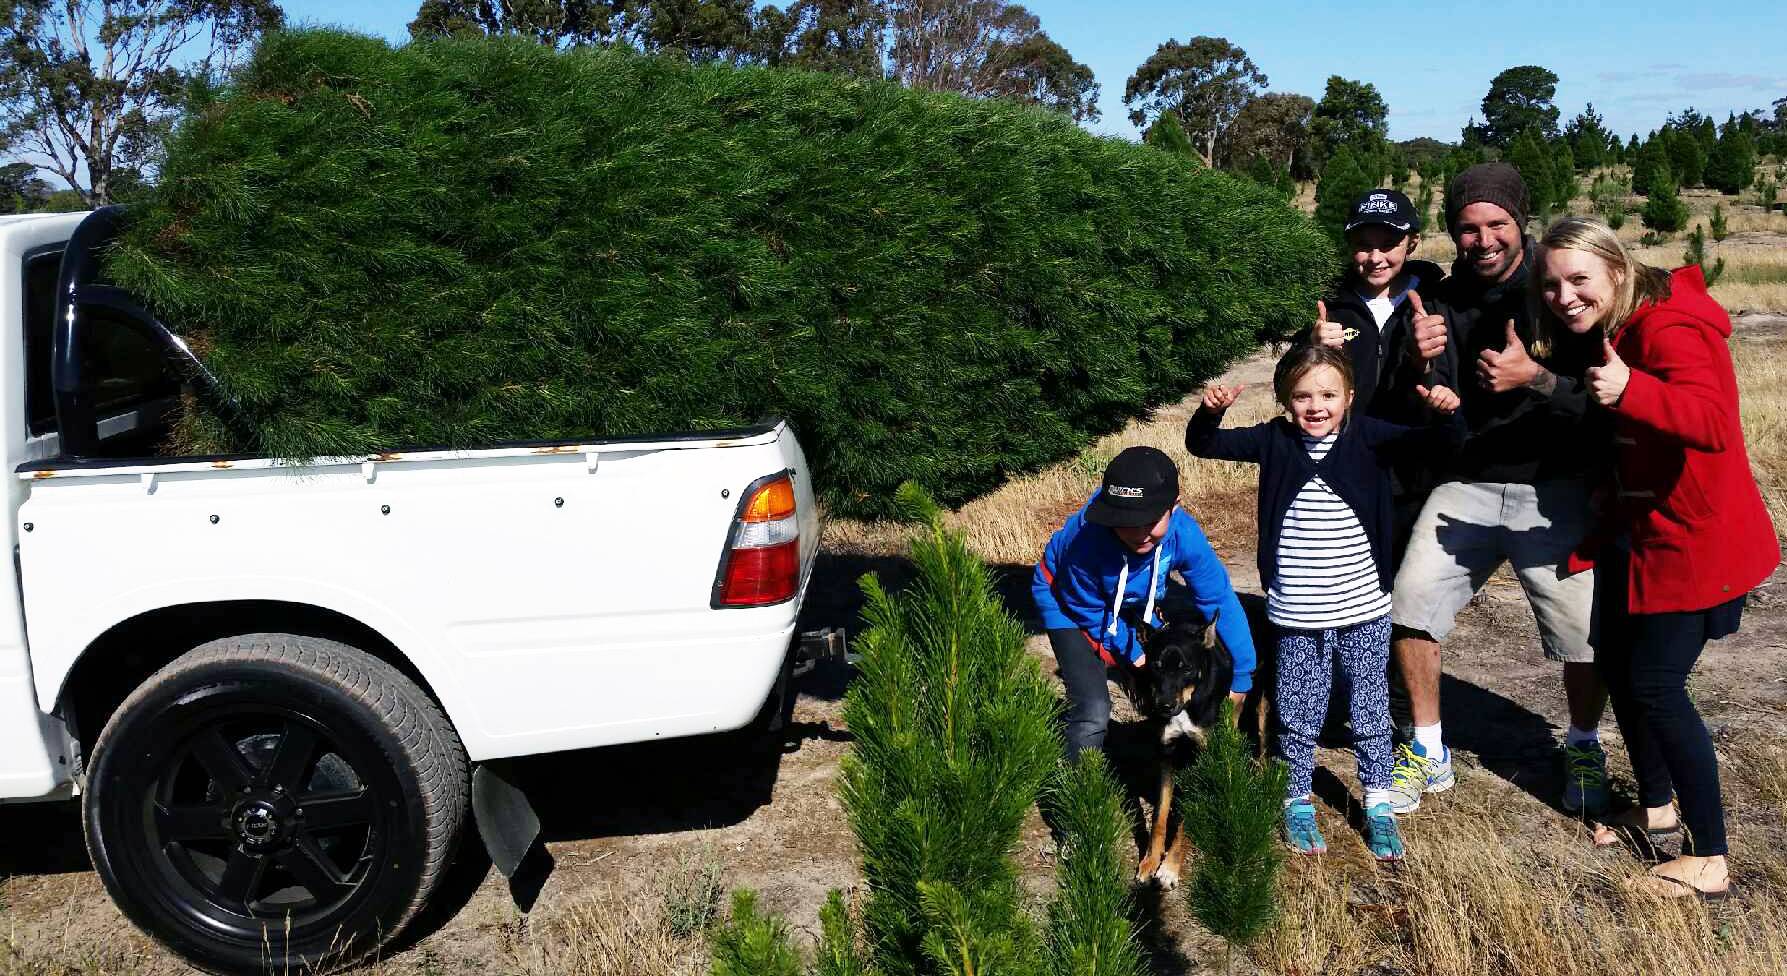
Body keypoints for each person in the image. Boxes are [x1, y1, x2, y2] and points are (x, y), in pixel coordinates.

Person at [1534, 216, 1779, 898]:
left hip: (1691, 540)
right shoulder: (1617, 324)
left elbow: (1711, 423)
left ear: (1616, 269)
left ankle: (1709, 857)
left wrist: (1631, 391)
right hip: (1637, 530)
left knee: (1655, 685)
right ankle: (1657, 806)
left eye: (1578, 279)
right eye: (1551, 284)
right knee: (1617, 662)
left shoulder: (1668, 328)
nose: (1564, 296)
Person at [1385, 162, 1614, 816]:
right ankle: (1428, 749)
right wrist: (1418, 362)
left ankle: (1582, 743)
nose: (1482, 240)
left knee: (1583, 631)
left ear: (1521, 222)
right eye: (1467, 228)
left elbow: (1603, 405)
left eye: (1496, 223)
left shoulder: (1560, 286)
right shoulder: (1441, 300)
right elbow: (1430, 397)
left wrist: (1533, 378)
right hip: (1468, 482)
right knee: (1411, 605)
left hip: (1555, 484)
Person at [1187, 345, 1460, 860]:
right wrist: (1210, 412)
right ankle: (1295, 799)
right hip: (1297, 611)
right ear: (1284, 400)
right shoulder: (1274, 439)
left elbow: (1438, 444)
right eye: (1303, 396)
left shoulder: (1368, 436)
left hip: (1364, 609)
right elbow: (1203, 444)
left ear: (1349, 397)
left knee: (1371, 709)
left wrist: (1447, 413)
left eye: (1329, 395)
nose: (1316, 406)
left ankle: (1378, 803)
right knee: (1298, 709)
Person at [1032, 446, 1258, 759]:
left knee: (1163, 668)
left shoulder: (1184, 535)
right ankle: (1080, 780)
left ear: (1174, 507)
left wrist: (1242, 675)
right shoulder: (1086, 544)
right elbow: (1086, 607)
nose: (1139, 533)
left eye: (1149, 521)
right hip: (1068, 602)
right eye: (1126, 521)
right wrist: (1135, 653)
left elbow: (1218, 598)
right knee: (1093, 709)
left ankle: (1152, 753)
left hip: (1132, 600)